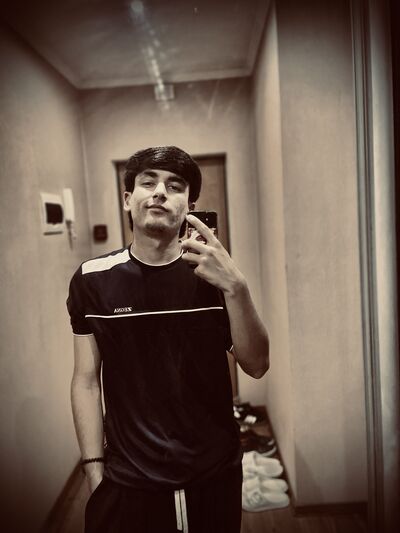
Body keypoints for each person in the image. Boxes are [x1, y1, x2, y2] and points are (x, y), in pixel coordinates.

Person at [67, 146, 269, 533]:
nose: (160, 192)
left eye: (175, 186)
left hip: (213, 472)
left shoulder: (214, 275)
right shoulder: (92, 280)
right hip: (128, 477)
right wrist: (93, 469)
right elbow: (86, 380)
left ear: (189, 206)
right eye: (149, 183)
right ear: (128, 199)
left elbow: (257, 364)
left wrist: (237, 287)